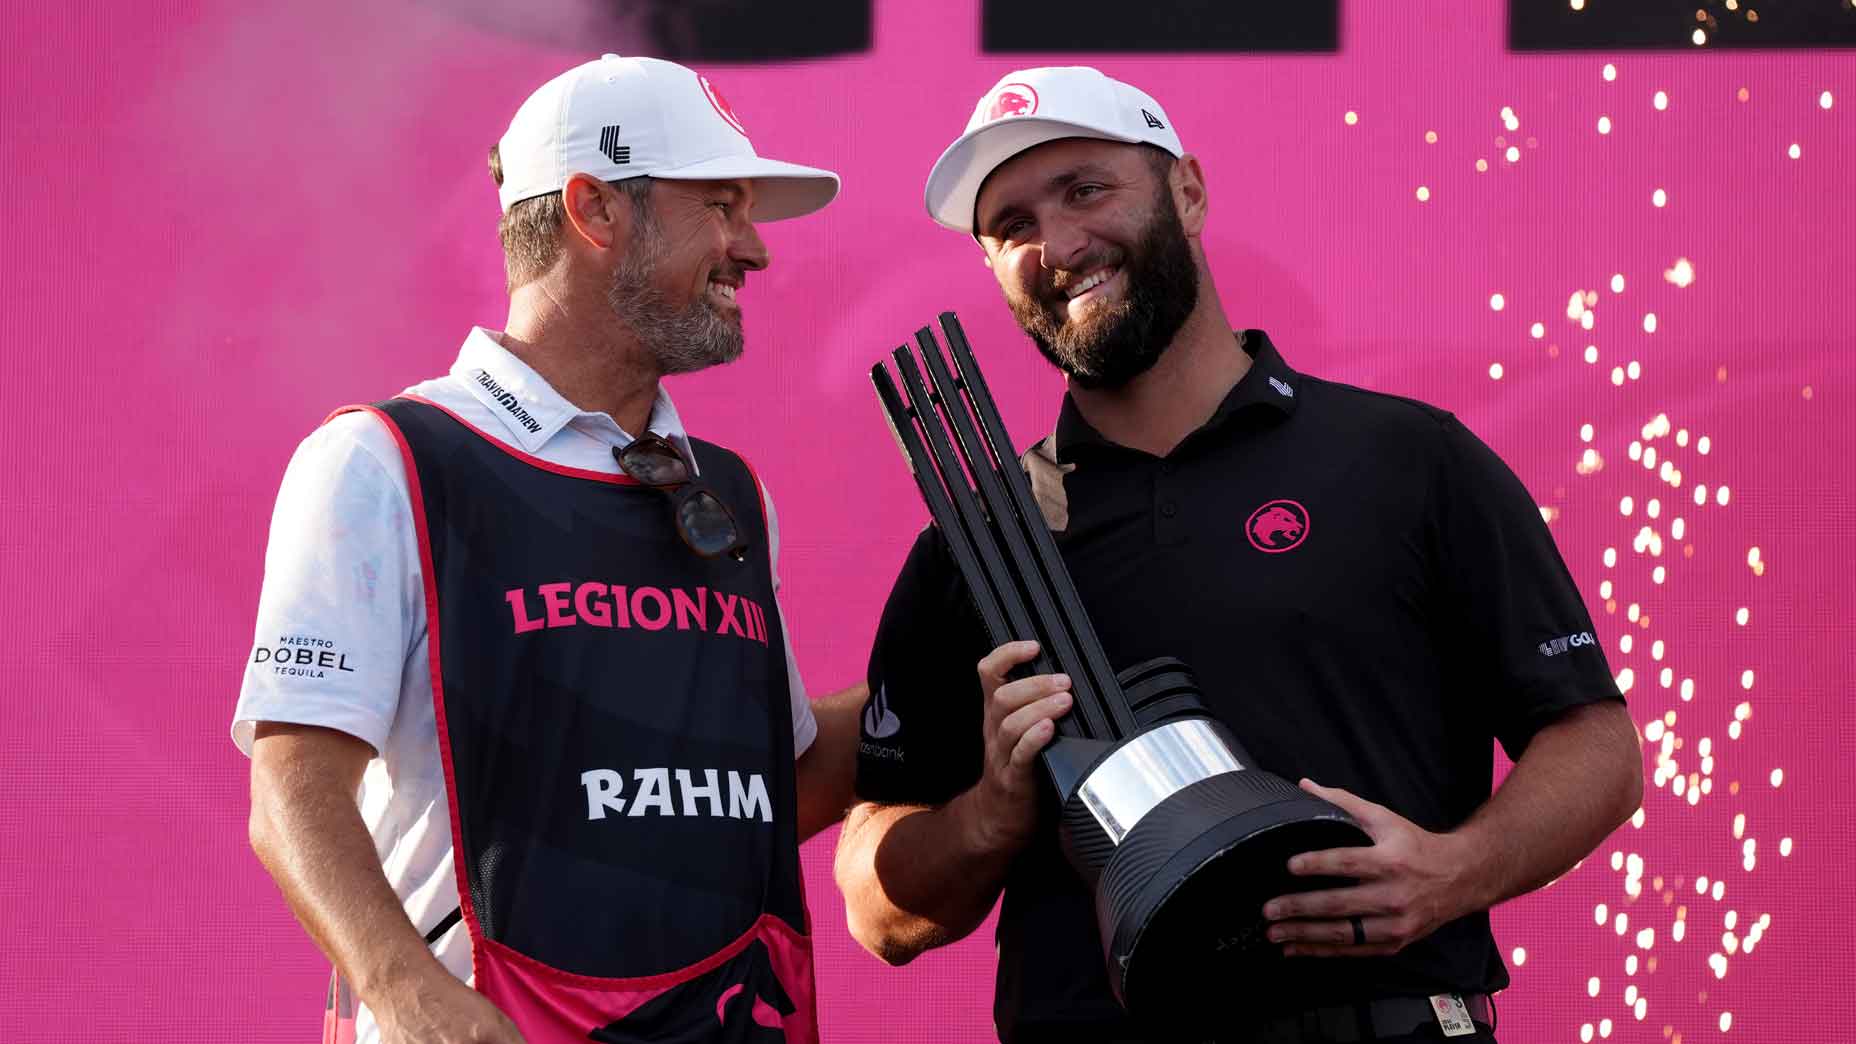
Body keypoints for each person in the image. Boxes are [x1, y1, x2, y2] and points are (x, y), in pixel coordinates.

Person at [833, 66, 1643, 1044]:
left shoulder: (1407, 460)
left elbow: (1597, 746)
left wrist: (1451, 872)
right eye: (1011, 227)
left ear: (1186, 191)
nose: (1059, 243)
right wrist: (985, 818)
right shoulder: (979, 543)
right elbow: (874, 906)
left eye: (1085, 189)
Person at [235, 54, 863, 1044]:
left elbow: (769, 786)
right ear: (594, 209)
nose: (752, 249)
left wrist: (961, 670)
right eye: (720, 207)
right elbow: (291, 789)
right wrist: (407, 995)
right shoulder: (386, 458)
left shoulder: (728, 490)